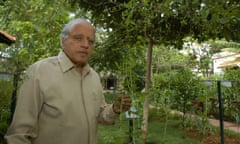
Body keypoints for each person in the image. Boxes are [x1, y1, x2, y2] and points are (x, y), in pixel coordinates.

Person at [5, 18, 132, 144]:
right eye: (78, 38)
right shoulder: (39, 72)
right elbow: (19, 134)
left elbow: (100, 114)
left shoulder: (93, 77)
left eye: (90, 41)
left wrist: (115, 109)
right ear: (63, 41)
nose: (85, 45)